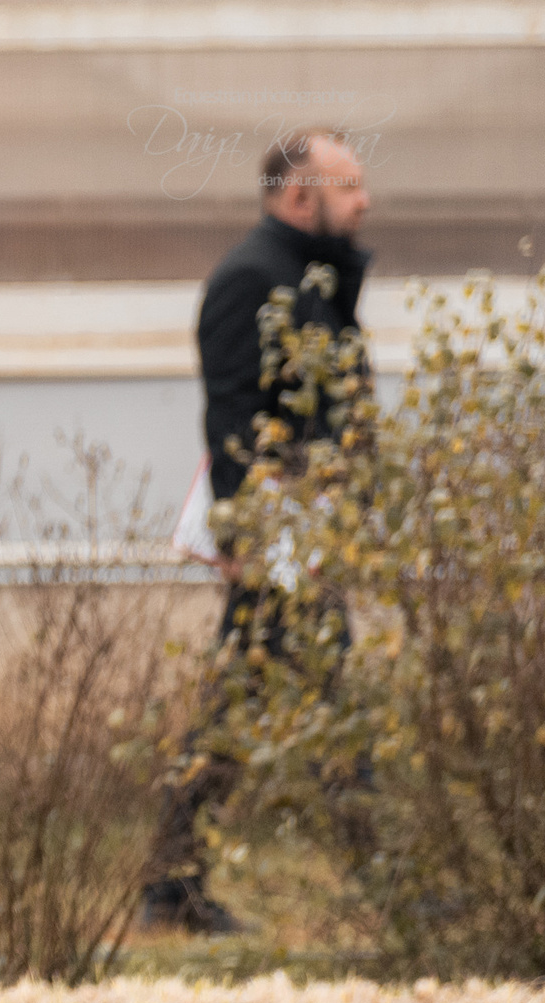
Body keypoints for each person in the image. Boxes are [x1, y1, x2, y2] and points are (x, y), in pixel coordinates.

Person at [148, 127, 373, 932]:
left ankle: (172, 883)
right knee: (274, 693)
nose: (364, 198)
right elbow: (235, 415)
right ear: (297, 194)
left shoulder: (312, 275)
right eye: (347, 184)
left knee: (262, 694)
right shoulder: (253, 279)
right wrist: (244, 539)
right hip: (276, 534)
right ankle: (380, 874)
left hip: (303, 528)